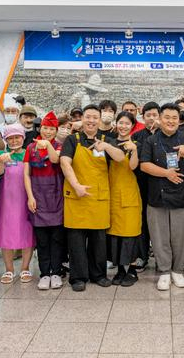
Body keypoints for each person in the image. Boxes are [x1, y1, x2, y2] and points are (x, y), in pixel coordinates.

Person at [60, 104, 125, 292]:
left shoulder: (107, 140)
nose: (91, 121)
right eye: (88, 117)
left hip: (99, 197)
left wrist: (107, 147)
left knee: (99, 240)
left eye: (95, 117)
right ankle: (78, 277)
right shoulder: (72, 140)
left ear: (100, 120)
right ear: (82, 119)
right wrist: (76, 186)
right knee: (76, 241)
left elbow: (120, 157)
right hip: (76, 196)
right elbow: (65, 163)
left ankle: (99, 274)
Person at [140, 103, 184, 290]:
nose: (170, 121)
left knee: (181, 237)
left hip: (183, 196)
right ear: (160, 119)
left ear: (179, 120)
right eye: (166, 117)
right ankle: (164, 272)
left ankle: (178, 271)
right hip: (157, 197)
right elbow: (144, 165)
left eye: (174, 118)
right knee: (159, 237)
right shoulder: (151, 140)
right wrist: (166, 173)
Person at [24, 112, 66, 290]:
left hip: (56, 197)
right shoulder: (30, 148)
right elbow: (26, 174)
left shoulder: (59, 146)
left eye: (51, 129)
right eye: (45, 128)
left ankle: (56, 272)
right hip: (38, 196)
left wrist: (48, 144)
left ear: (56, 131)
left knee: (57, 238)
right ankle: (44, 274)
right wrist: (30, 197)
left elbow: (55, 160)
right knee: (41, 240)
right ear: (40, 128)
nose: (48, 132)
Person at [0, 124, 35, 284]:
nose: (14, 141)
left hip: (26, 199)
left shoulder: (29, 153)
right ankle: (9, 269)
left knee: (27, 232)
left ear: (23, 138)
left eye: (17, 137)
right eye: (10, 138)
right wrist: (1, 161)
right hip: (7, 201)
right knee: (6, 232)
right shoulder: (1, 154)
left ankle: (25, 268)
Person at [108, 111, 143, 287]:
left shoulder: (137, 144)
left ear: (132, 126)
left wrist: (134, 150)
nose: (123, 126)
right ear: (116, 124)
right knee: (115, 234)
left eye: (127, 123)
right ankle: (120, 269)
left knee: (131, 233)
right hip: (112, 193)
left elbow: (133, 166)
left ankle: (133, 270)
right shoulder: (109, 143)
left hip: (129, 193)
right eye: (120, 123)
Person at [132, 101, 161, 271]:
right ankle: (142, 256)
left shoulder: (166, 134)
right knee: (142, 221)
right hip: (142, 184)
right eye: (148, 115)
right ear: (142, 117)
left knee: (159, 223)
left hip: (161, 184)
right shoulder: (137, 136)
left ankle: (161, 258)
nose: (151, 118)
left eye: (154, 115)